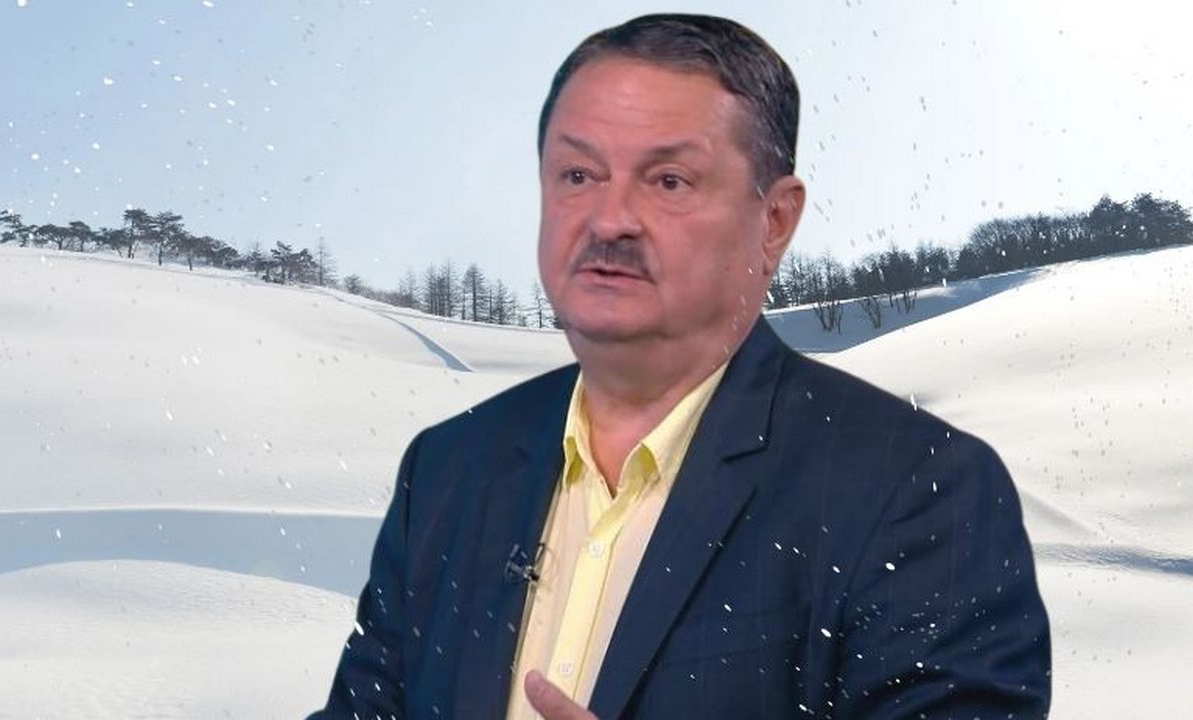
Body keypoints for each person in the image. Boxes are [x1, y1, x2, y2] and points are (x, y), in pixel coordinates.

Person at [309, 13, 1050, 720]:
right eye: (578, 175)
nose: (609, 220)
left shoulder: (917, 489)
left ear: (775, 221)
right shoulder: (447, 469)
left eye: (668, 181)